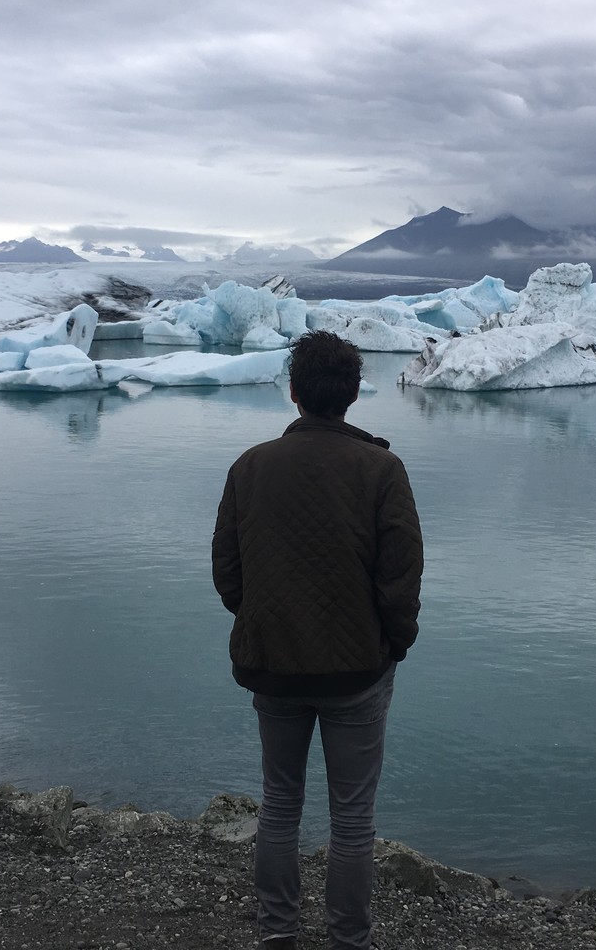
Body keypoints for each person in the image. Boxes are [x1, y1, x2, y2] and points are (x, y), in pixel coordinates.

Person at [212, 330, 424, 950]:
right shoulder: (383, 469)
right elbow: (400, 575)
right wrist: (394, 644)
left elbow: (228, 570)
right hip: (358, 671)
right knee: (352, 818)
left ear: (295, 392)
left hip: (272, 665)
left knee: (279, 803)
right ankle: (347, 941)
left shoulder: (249, 466)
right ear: (353, 393)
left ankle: (276, 935)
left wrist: (258, 621)